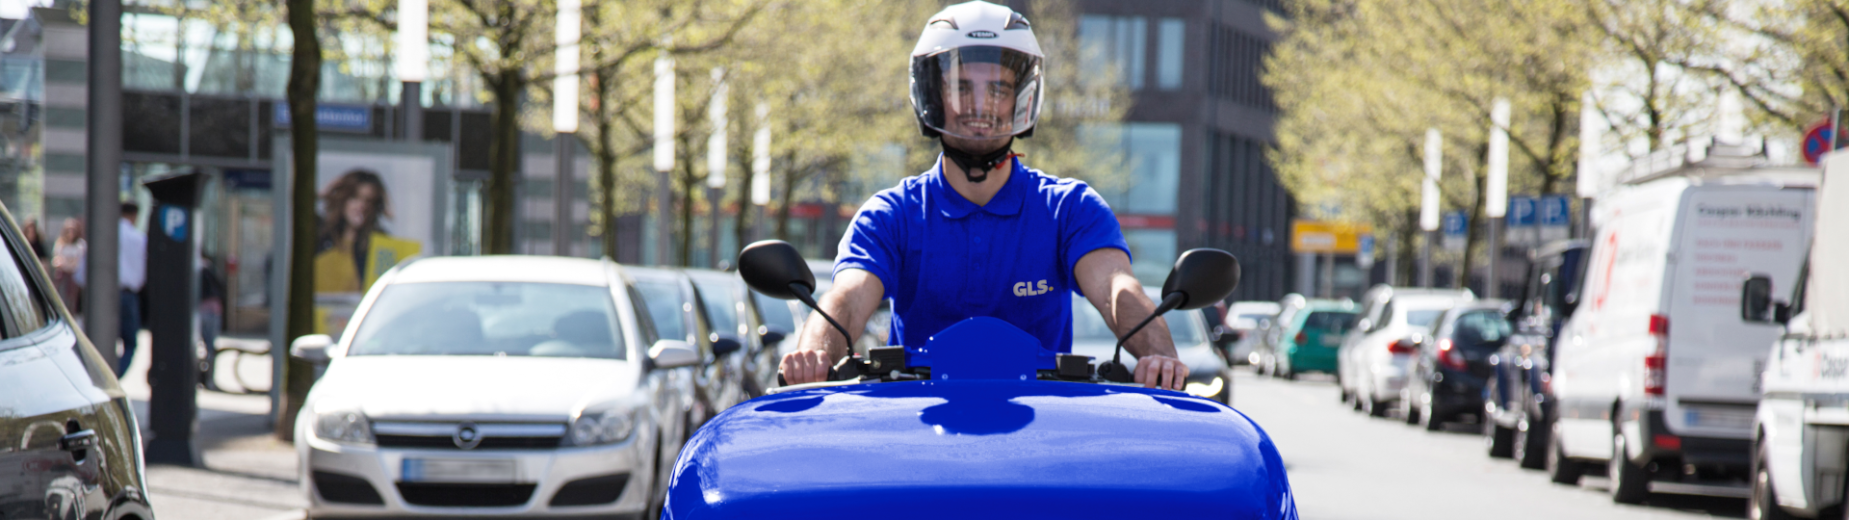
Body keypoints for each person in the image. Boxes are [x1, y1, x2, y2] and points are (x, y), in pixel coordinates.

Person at [779, 1, 1190, 390]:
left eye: (997, 89)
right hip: (915, 435)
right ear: (933, 98)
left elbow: (1117, 288)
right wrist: (814, 352)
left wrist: (1159, 355)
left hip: (1041, 433)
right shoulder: (891, 216)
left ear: (1022, 99)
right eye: (960, 88)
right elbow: (848, 298)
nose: (979, 106)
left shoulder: (1069, 209)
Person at [314, 169, 421, 296]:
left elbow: (388, 292)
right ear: (344, 199)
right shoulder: (321, 235)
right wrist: (322, 195)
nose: (362, 206)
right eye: (355, 198)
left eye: (369, 201)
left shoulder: (379, 246)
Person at [76, 202, 148, 377]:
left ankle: (98, 376)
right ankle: (113, 377)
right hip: (128, 294)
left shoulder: (101, 235)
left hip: (99, 294)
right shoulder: (138, 238)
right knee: (130, 342)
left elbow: (80, 275)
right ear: (134, 216)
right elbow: (143, 273)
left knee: (95, 340)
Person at [51, 217, 84, 312]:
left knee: (72, 300)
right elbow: (56, 260)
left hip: (74, 277)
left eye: (73, 230)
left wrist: (66, 262)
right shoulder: (60, 243)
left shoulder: (80, 245)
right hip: (62, 276)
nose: (71, 233)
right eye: (68, 230)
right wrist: (67, 262)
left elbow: (77, 263)